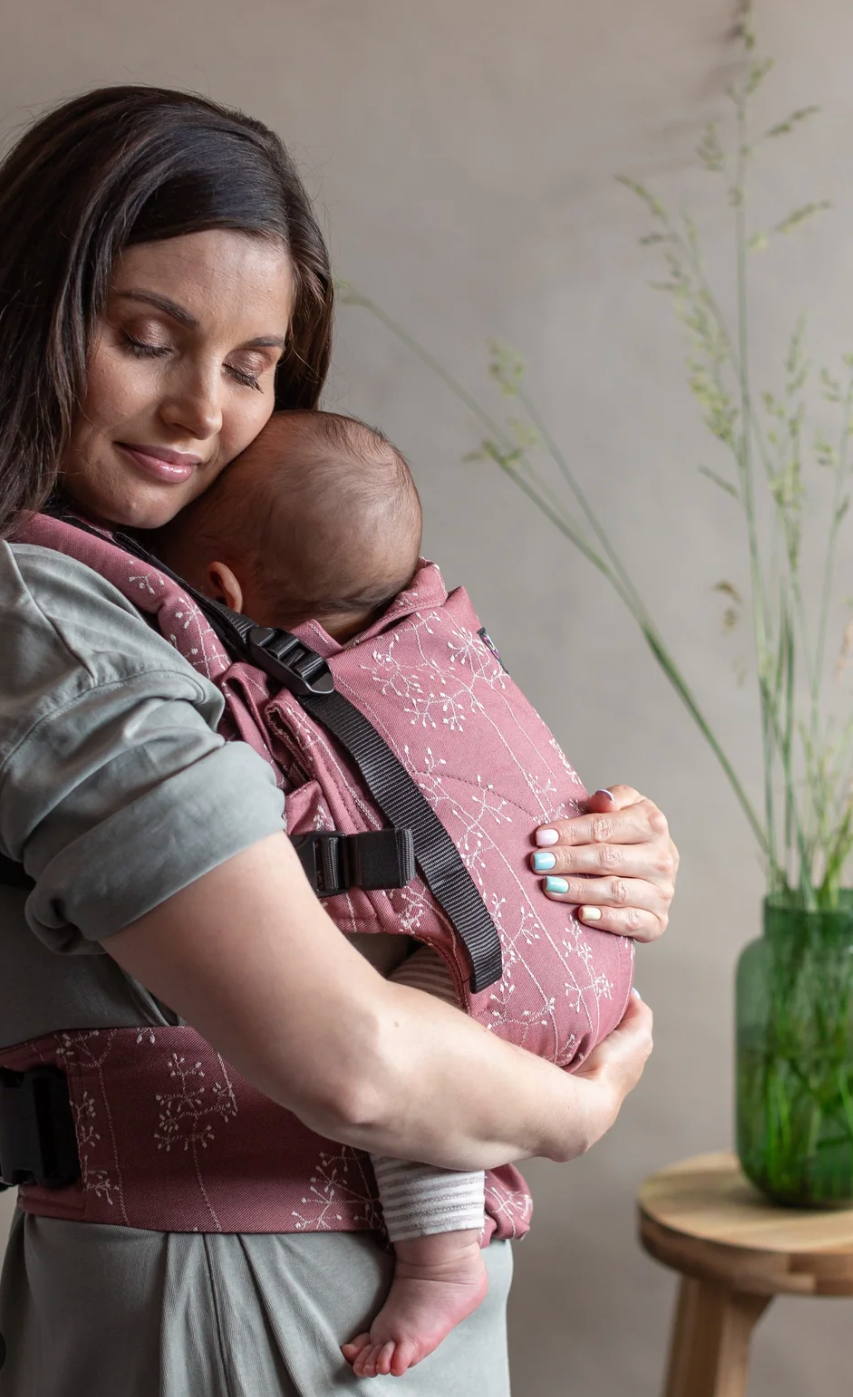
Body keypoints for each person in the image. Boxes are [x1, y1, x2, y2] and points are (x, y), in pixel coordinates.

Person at [0, 85, 677, 1397]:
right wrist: (575, 1107)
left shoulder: (173, 594)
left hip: (344, 1275)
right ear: (31, 319)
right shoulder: (36, 612)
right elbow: (348, 1062)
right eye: (146, 337)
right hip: (225, 1291)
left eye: (250, 365)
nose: (200, 411)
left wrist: (570, 858)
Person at [152, 407, 634, 1378]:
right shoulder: (435, 641)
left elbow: (363, 1059)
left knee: (415, 1045)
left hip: (484, 960)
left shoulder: (284, 693)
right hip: (585, 942)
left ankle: (440, 1256)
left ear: (222, 587)